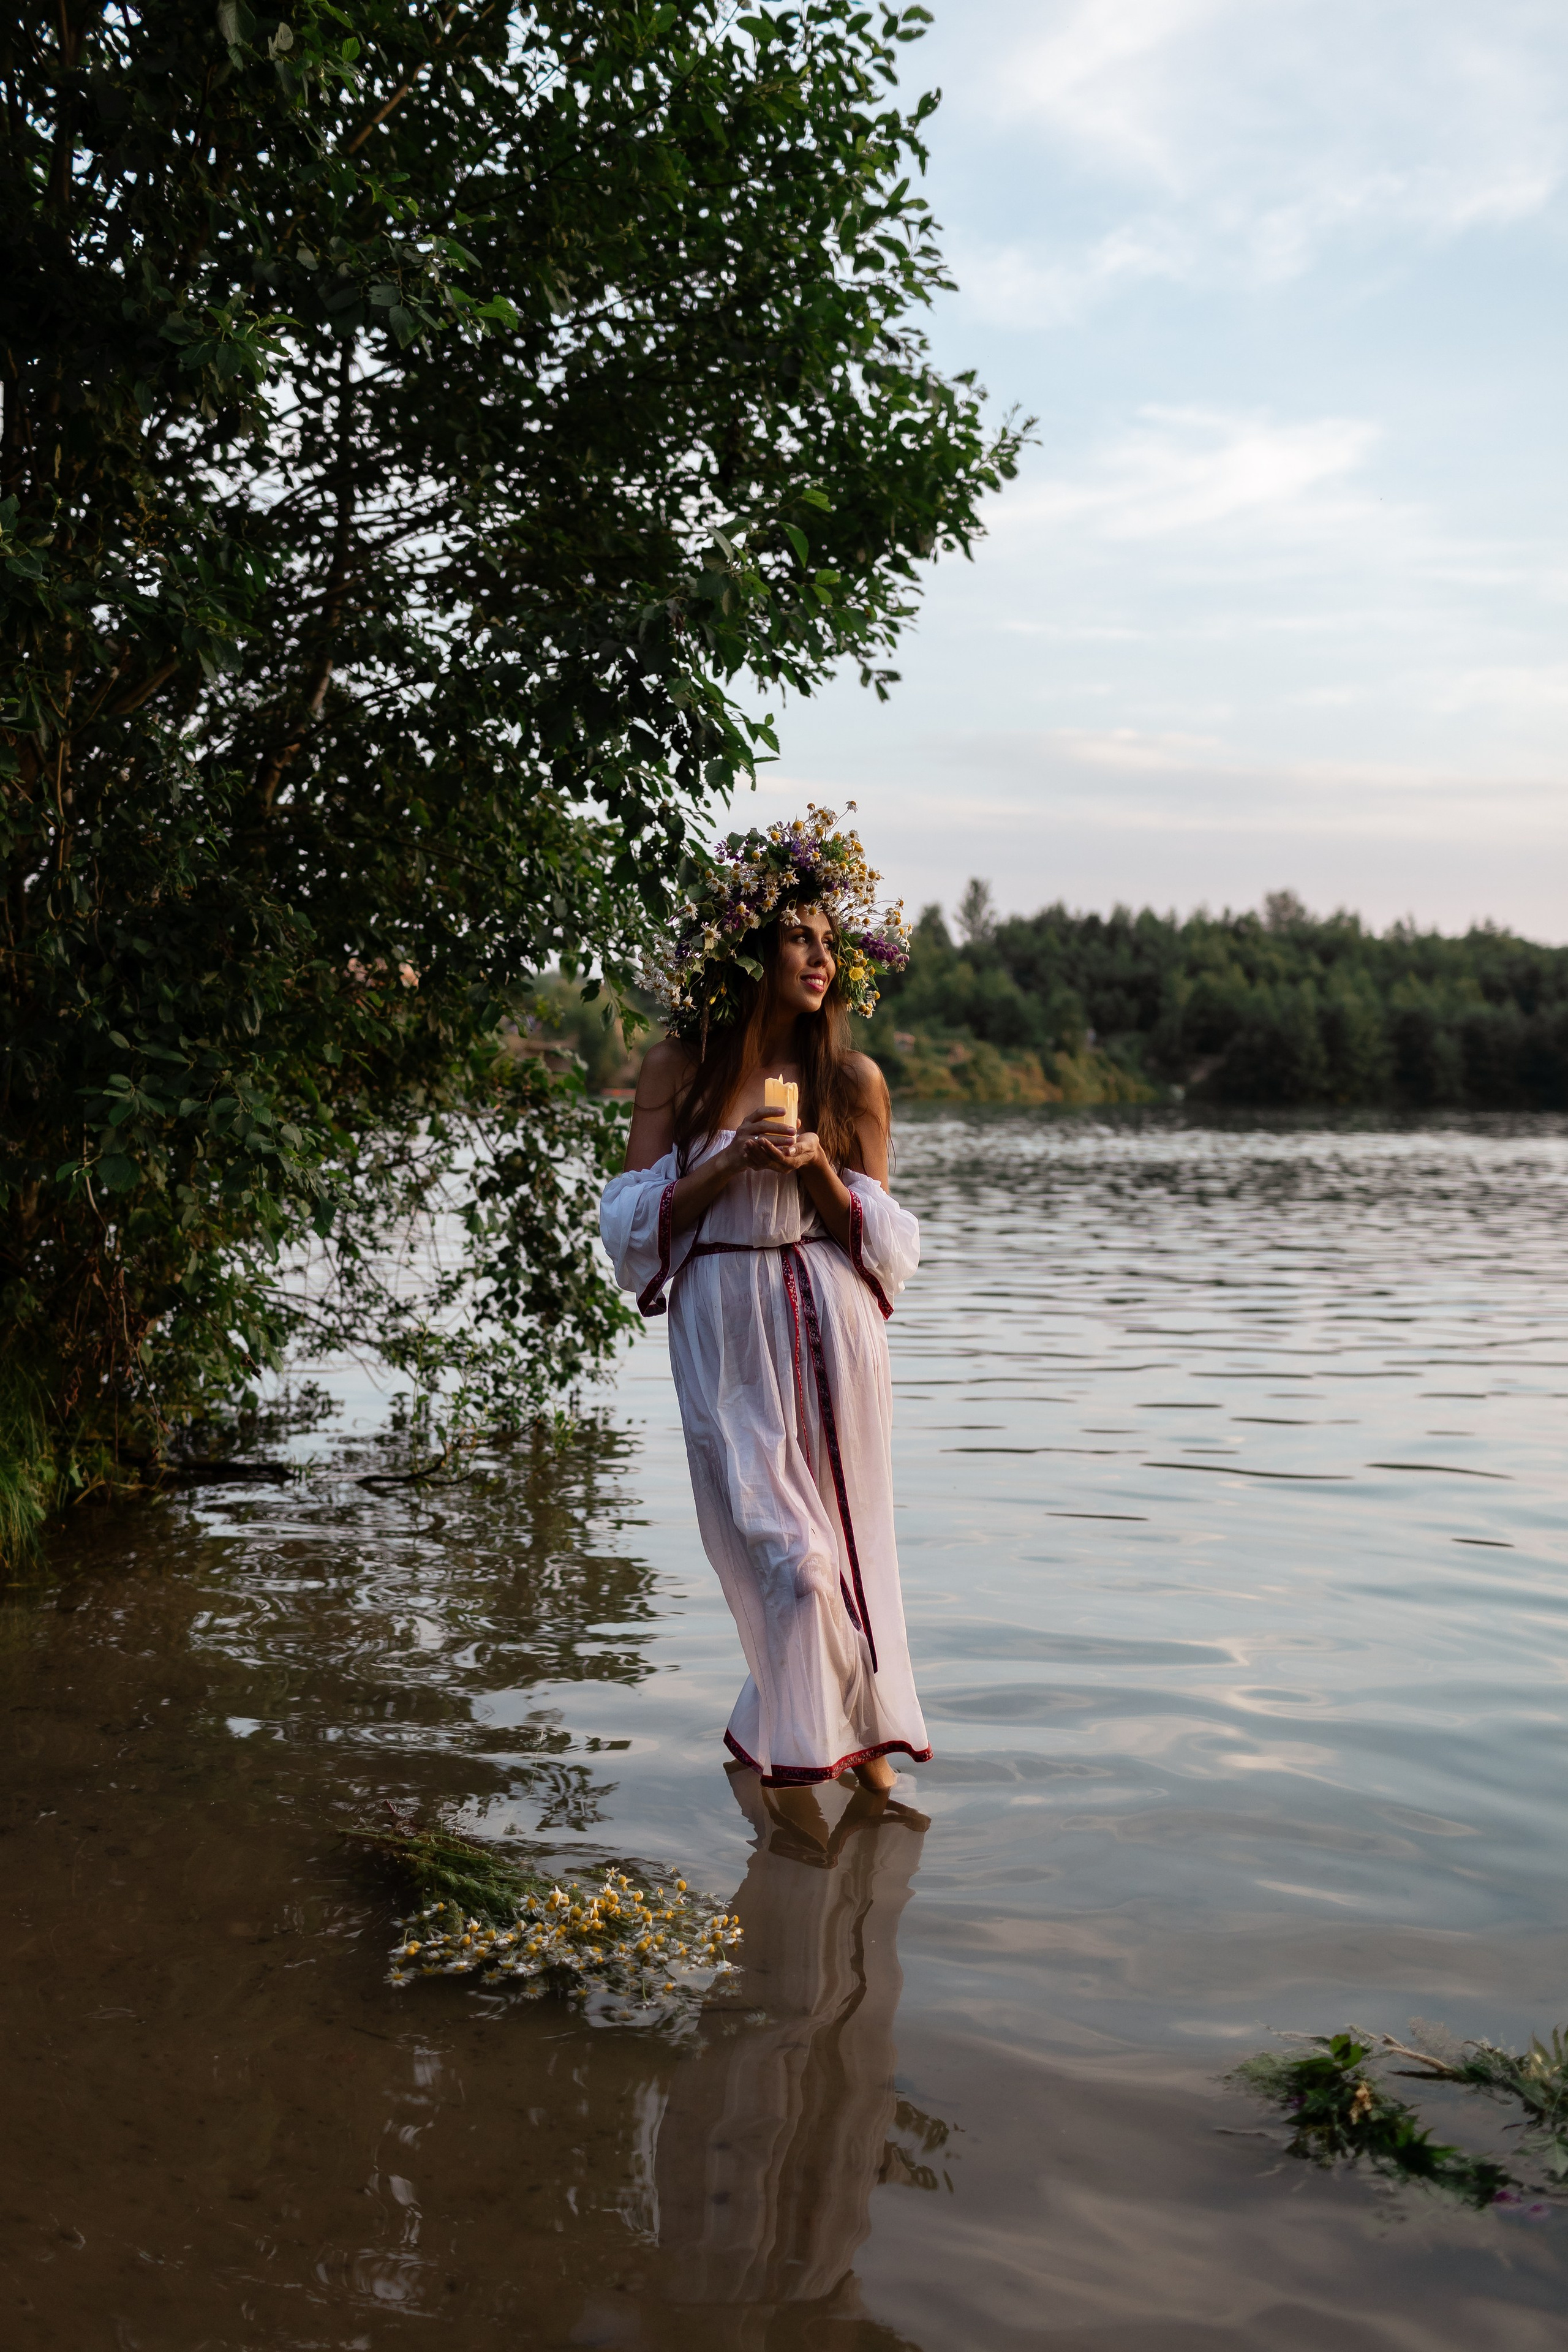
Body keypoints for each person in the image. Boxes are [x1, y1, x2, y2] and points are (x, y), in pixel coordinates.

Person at [600, 809, 931, 1798]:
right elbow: (627, 1222)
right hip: (725, 1325)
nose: (822, 959)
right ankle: (823, 1773)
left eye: (831, 943)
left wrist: (819, 1165)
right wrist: (728, 1163)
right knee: (793, 1561)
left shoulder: (851, 1081)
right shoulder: (682, 1069)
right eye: (799, 938)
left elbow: (885, 1245)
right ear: (748, 950)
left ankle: (834, 1768)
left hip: (829, 1326)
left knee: (839, 1553)